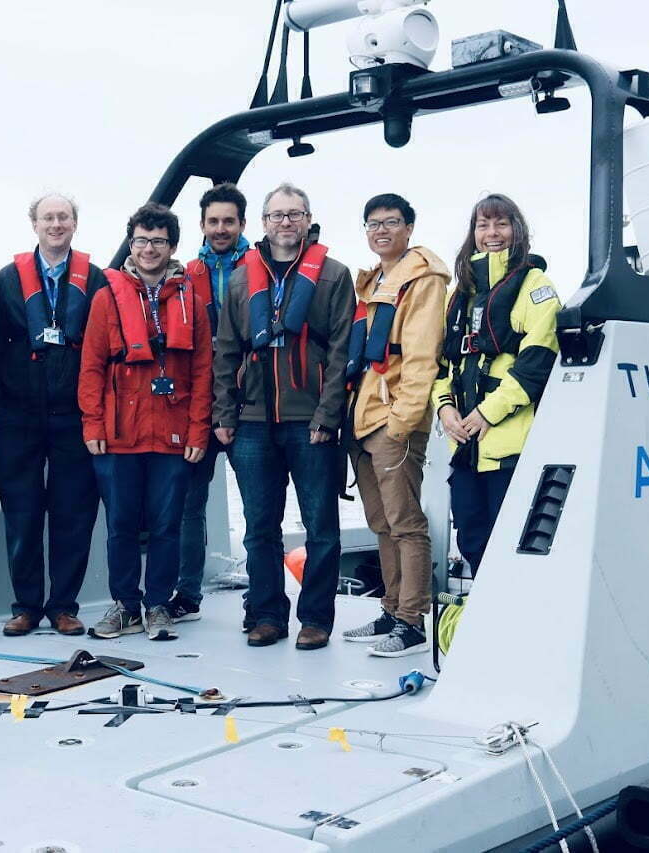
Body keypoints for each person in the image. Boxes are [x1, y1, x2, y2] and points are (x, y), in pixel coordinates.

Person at [212, 182, 355, 650]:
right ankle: (268, 614)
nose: (286, 222)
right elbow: (226, 352)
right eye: (277, 215)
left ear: (309, 220)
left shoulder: (333, 276)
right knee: (259, 528)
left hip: (309, 420)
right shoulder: (240, 279)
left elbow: (340, 353)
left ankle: (315, 618)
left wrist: (327, 416)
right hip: (252, 422)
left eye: (295, 214)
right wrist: (224, 414)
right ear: (264, 222)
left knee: (321, 527)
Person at [78, 202, 212, 641]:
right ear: (130, 245)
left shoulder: (192, 298)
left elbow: (203, 369)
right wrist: (93, 424)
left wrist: (198, 430)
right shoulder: (105, 297)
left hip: (172, 433)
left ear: (172, 246)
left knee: (167, 524)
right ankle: (125, 606)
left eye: (158, 241)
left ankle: (158, 604)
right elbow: (92, 365)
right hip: (119, 434)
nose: (148, 249)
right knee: (120, 524)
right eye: (141, 240)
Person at [0, 193, 107, 637]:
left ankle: (63, 606)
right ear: (34, 224)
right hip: (18, 416)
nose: (56, 224)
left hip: (73, 415)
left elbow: (105, 350)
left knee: (73, 513)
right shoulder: (5, 280)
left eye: (64, 217)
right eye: (48, 217)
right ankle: (26, 606)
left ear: (75, 223)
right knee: (21, 511)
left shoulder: (95, 281)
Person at [341, 193, 449, 658]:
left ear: (409, 228)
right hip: (363, 418)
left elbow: (422, 355)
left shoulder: (422, 281)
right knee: (381, 522)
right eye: (372, 224)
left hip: (391, 421)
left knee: (406, 523)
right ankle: (391, 608)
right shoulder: (374, 282)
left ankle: (412, 622)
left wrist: (403, 422)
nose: (381, 230)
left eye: (391, 222)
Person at [432, 194, 560, 575]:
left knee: (510, 543)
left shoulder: (536, 285)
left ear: (516, 230)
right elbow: (440, 365)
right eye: (483, 225)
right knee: (471, 537)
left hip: (511, 448)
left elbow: (536, 364)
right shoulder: (460, 295)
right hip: (465, 446)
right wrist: (445, 408)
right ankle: (486, 621)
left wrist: (487, 414)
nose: (492, 233)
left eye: (501, 224)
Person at [169, 182, 250, 623]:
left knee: (259, 509)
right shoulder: (184, 277)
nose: (221, 229)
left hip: (250, 407)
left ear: (242, 224)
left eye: (229, 221)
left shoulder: (261, 268)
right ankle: (186, 594)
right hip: (197, 406)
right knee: (188, 507)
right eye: (213, 221)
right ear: (202, 225)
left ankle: (262, 603)